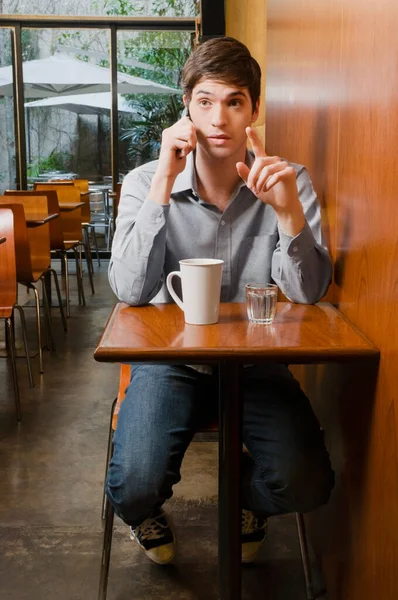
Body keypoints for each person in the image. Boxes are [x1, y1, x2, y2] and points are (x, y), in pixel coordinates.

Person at [107, 36, 334, 566]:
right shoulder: (144, 181)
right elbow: (131, 291)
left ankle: (245, 503)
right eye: (206, 101)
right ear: (186, 106)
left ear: (254, 108)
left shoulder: (288, 180)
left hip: (258, 363)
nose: (219, 117)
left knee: (307, 483)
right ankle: (148, 514)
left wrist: (287, 215)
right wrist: (164, 180)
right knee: (133, 487)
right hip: (171, 364)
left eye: (234, 101)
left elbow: (310, 292)